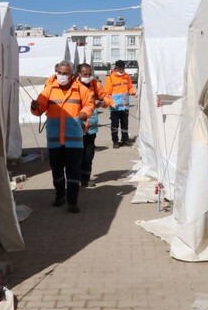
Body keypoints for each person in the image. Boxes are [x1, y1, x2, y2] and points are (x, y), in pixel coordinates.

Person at [30, 60, 94, 213]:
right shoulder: (49, 89)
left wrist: (85, 113)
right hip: (55, 139)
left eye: (65, 73)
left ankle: (72, 201)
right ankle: (60, 195)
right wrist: (35, 107)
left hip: (74, 139)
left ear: (72, 74)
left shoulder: (80, 89)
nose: (61, 76)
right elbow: (39, 109)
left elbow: (90, 104)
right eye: (59, 73)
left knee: (73, 172)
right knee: (57, 170)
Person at [77, 63, 113, 188]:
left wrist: (104, 102)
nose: (87, 76)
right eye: (85, 74)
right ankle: (76, 178)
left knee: (88, 155)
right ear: (79, 74)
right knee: (76, 155)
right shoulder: (74, 86)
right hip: (76, 127)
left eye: (89, 74)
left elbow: (107, 97)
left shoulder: (95, 84)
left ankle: (86, 179)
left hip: (91, 127)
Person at [104, 59, 137, 148]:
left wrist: (133, 92)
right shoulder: (110, 77)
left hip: (125, 107)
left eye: (123, 69)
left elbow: (129, 88)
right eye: (120, 69)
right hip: (115, 107)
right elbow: (107, 93)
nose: (121, 70)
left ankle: (125, 140)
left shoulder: (127, 76)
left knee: (125, 125)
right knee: (114, 125)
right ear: (116, 68)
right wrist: (111, 103)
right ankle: (115, 141)